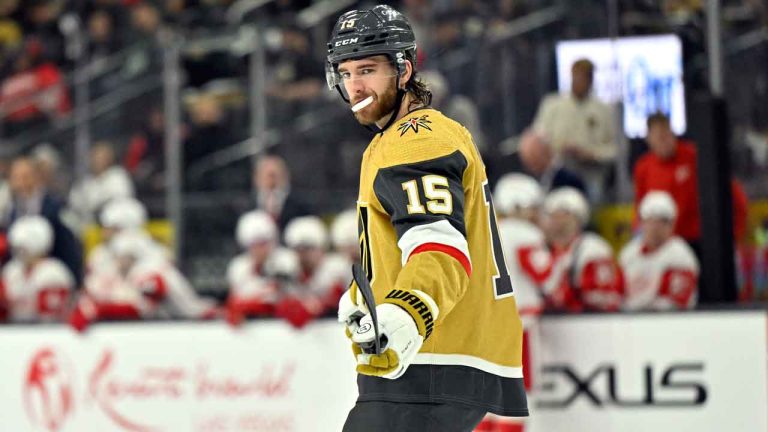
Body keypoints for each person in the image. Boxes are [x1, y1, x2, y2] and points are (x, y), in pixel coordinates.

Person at [325, 5, 528, 430]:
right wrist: (366, 297)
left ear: (404, 70)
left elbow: (439, 249)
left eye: (367, 69)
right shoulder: (399, 138)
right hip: (432, 361)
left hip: (432, 359)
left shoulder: (416, 140)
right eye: (345, 73)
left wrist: (407, 312)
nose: (355, 85)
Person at [479, 173, 550, 432]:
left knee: (485, 400)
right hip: (517, 325)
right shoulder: (525, 234)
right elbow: (547, 276)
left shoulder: (481, 229)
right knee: (515, 397)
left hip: (484, 325)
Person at [634, 112, 749, 253]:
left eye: (666, 135)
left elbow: (733, 194)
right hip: (664, 244)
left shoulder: (694, 156)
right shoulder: (643, 167)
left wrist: (735, 232)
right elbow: (640, 206)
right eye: (658, 137)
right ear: (649, 139)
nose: (663, 141)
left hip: (698, 241)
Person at [533, 58, 616, 201]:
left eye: (584, 76)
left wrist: (592, 154)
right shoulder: (552, 105)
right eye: (576, 75)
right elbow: (537, 140)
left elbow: (615, 151)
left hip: (591, 177)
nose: (579, 80)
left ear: (591, 79)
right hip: (557, 174)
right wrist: (556, 150)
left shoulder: (604, 110)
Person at [539, 187, 623, 312]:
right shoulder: (543, 251)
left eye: (564, 216)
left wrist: (571, 299)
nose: (557, 223)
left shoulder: (592, 249)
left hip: (587, 326)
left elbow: (607, 300)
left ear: (578, 220)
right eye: (553, 216)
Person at [8, 157, 82, 284]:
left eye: (25, 176)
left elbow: (70, 246)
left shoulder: (55, 207)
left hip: (53, 275)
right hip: (24, 278)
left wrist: (75, 280)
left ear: (35, 176)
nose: (20, 182)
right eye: (16, 178)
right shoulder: (13, 209)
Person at [620, 191, 699, 311]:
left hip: (669, 324)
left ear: (672, 225)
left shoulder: (680, 255)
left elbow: (673, 303)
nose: (655, 227)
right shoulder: (628, 254)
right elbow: (617, 295)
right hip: (631, 323)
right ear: (641, 223)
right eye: (651, 221)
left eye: (662, 222)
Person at [1, 216, 74, 323]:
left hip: (45, 332)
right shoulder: (11, 270)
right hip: (15, 331)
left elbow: (49, 318)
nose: (20, 253)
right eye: (17, 249)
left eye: (23, 249)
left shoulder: (53, 272)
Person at [280, 216, 348, 327]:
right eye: (299, 249)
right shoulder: (288, 271)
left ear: (321, 248)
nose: (303, 255)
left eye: (308, 248)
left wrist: (322, 304)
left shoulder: (337, 269)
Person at [67, 142, 135, 228]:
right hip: (88, 225)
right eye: (94, 157)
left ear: (109, 159)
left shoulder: (118, 175)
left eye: (100, 157)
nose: (96, 161)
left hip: (114, 224)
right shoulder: (85, 182)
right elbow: (74, 203)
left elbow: (122, 199)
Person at [252, 154, 312, 230]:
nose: (272, 181)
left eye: (275, 175)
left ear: (285, 176)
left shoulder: (300, 205)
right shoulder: (247, 206)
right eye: (268, 175)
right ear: (257, 178)